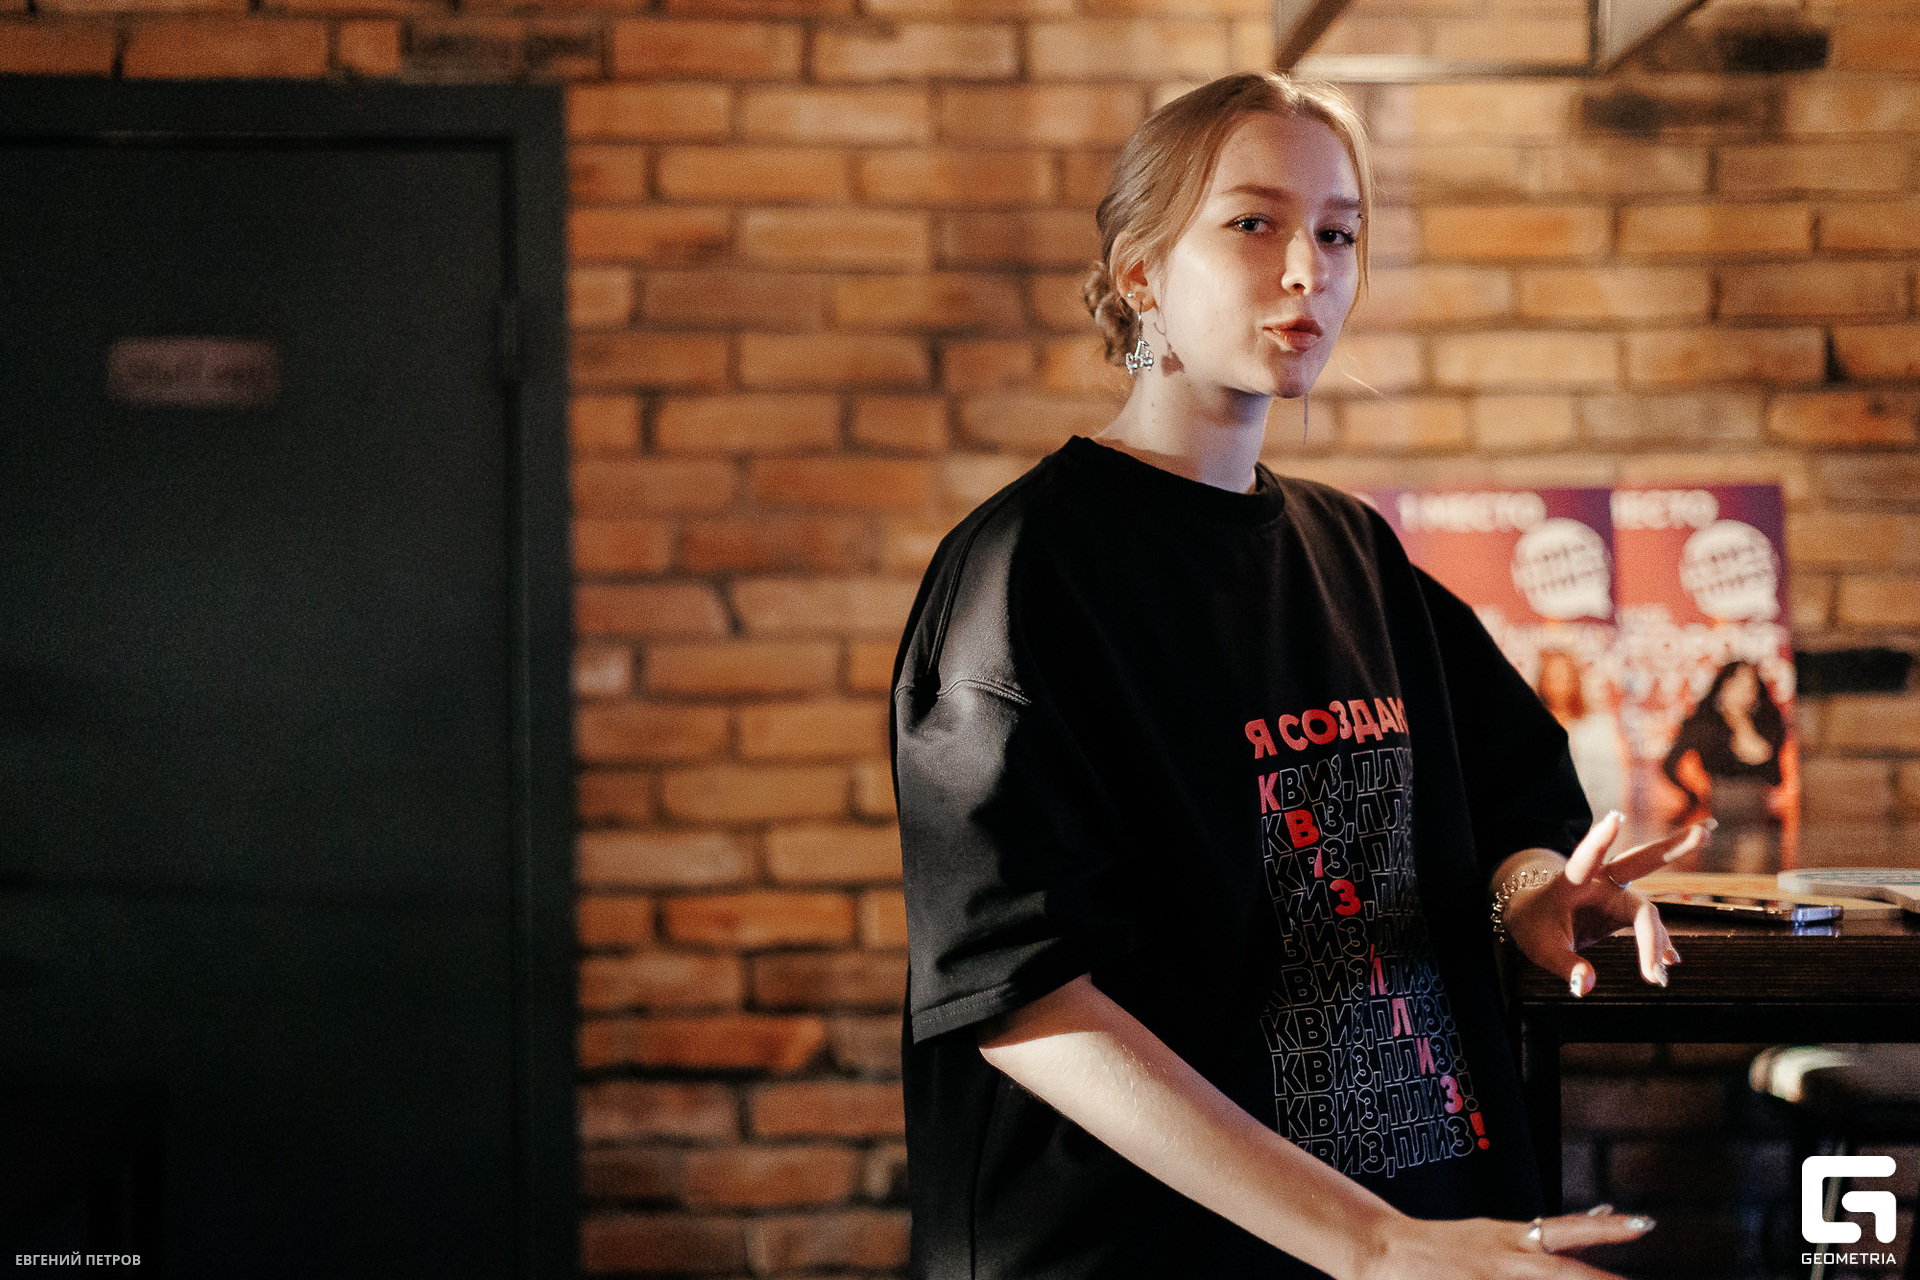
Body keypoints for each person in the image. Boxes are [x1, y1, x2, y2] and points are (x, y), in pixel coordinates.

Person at [887, 72, 1710, 1280]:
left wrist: (1534, 893)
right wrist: (1367, 1241)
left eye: (1336, 233)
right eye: (1252, 222)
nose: (1304, 272)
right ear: (1141, 273)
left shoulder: (1351, 549)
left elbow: (1506, 804)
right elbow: (1022, 993)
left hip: (1422, 1215)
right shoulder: (1027, 573)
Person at [1534, 648, 1630, 820]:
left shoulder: (1596, 727)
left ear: (1574, 680)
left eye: (1564, 676)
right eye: (1552, 676)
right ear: (1542, 680)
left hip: (1587, 819)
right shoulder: (1531, 725)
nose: (1558, 683)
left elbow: (1609, 784)